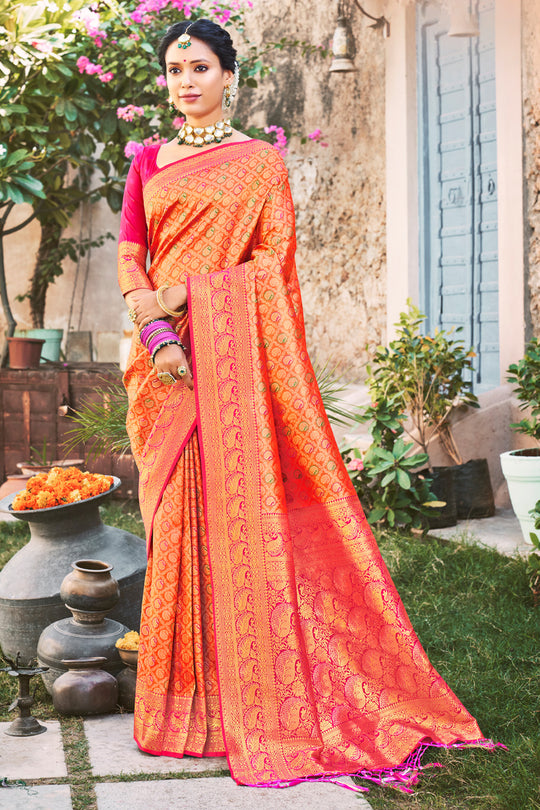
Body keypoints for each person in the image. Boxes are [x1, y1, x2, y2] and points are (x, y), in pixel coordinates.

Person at [118, 17, 496, 793]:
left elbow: (272, 263)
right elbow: (131, 255)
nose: (186, 81)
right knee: (177, 526)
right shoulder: (148, 160)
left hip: (228, 363)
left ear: (229, 75)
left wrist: (187, 294)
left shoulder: (259, 162)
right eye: (175, 69)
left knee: (237, 525)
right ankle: (187, 709)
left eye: (200, 67)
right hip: (163, 369)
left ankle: (250, 703)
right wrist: (157, 331)